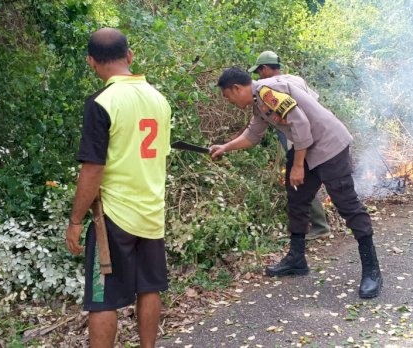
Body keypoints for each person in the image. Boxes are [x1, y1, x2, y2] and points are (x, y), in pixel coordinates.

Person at [210, 67, 383, 299]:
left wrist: (298, 165)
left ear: (236, 88)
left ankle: (371, 269)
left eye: (227, 96)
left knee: (346, 204)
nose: (228, 101)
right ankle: (297, 259)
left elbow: (300, 124)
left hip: (330, 146)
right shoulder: (260, 100)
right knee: (297, 198)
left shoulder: (267, 93)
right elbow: (253, 135)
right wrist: (225, 147)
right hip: (309, 148)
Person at [65, 28, 172, 347]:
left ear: (91, 62)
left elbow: (93, 168)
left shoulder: (102, 103)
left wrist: (75, 220)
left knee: (103, 299)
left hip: (112, 217)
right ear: (129, 56)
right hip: (152, 213)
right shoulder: (159, 100)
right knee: (149, 287)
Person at [248, 51, 332, 240]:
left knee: (298, 179)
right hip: (315, 134)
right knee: (308, 177)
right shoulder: (294, 80)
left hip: (297, 136)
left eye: (260, 71)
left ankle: (318, 225)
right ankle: (313, 224)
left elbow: (294, 119)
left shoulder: (267, 89)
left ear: (266, 68)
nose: (259, 76)